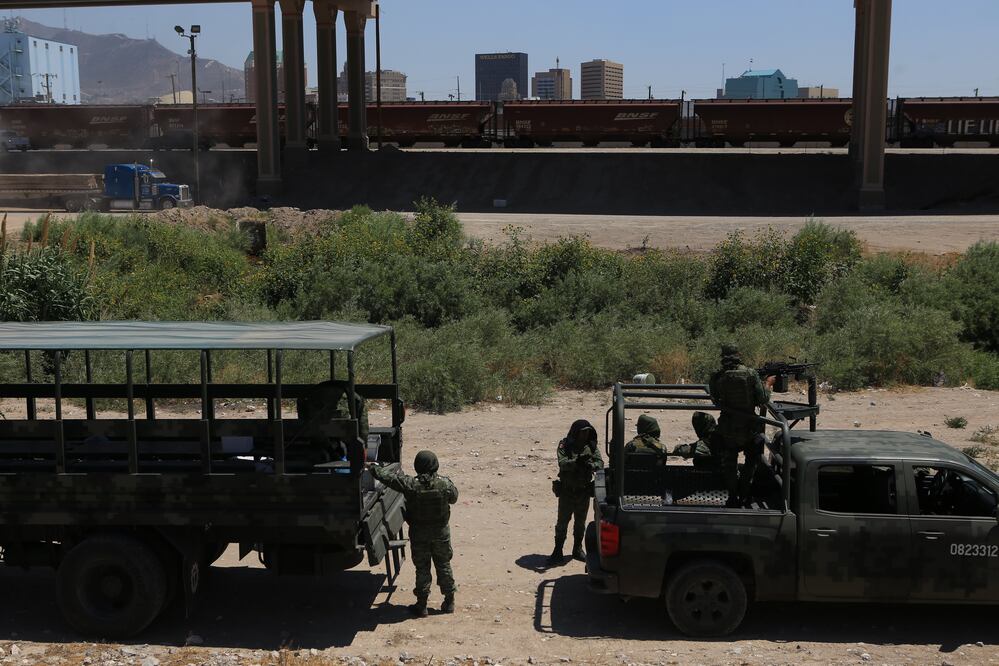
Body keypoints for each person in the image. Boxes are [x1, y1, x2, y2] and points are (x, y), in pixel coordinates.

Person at [370, 450, 458, 617]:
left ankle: (422, 605)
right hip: (441, 533)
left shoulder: (411, 484)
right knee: (444, 565)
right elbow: (454, 498)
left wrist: (374, 469)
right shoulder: (445, 484)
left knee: (422, 568)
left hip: (419, 534)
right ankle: (449, 601)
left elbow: (391, 479)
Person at [708, 343, 775, 507]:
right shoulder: (750, 374)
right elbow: (763, 399)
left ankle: (732, 496)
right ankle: (744, 495)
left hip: (728, 427)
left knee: (730, 463)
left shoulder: (717, 376)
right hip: (749, 427)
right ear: (738, 354)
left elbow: (715, 400)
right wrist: (768, 383)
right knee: (751, 462)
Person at [549, 420, 603, 565]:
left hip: (583, 492)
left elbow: (600, 463)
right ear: (576, 432)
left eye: (587, 431)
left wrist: (591, 465)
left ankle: (577, 549)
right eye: (582, 431)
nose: (585, 434)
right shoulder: (565, 445)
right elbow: (562, 463)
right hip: (567, 491)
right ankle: (557, 550)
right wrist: (576, 462)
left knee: (580, 523)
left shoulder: (591, 447)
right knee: (562, 523)